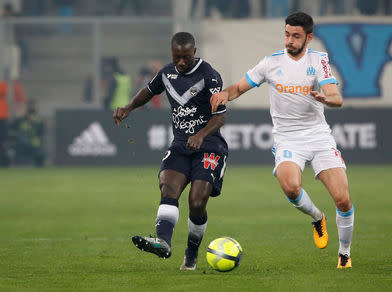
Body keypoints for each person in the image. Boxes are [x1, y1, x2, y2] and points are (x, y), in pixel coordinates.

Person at [211, 11, 354, 268]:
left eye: (296, 36)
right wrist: (224, 94)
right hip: (288, 138)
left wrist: (325, 98)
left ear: (309, 37)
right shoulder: (271, 63)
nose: (289, 40)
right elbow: (239, 88)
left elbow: (336, 97)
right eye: (287, 34)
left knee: (343, 199)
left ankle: (344, 253)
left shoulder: (318, 60)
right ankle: (317, 217)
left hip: (318, 135)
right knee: (290, 187)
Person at [113, 32, 228, 270]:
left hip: (209, 146)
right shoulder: (167, 72)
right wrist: (128, 107)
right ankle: (163, 242)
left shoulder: (209, 75)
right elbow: (149, 90)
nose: (181, 62)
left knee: (197, 202)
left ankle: (192, 253)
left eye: (186, 57)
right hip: (180, 145)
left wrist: (200, 135)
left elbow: (220, 117)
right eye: (177, 57)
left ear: (194, 52)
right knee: (168, 188)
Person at [9, 99, 45, 167]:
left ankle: (38, 169)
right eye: (30, 106)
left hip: (34, 145)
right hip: (21, 143)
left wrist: (34, 123)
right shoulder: (20, 119)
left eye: (33, 106)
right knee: (10, 152)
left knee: (41, 153)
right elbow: (11, 128)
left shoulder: (39, 120)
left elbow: (41, 132)